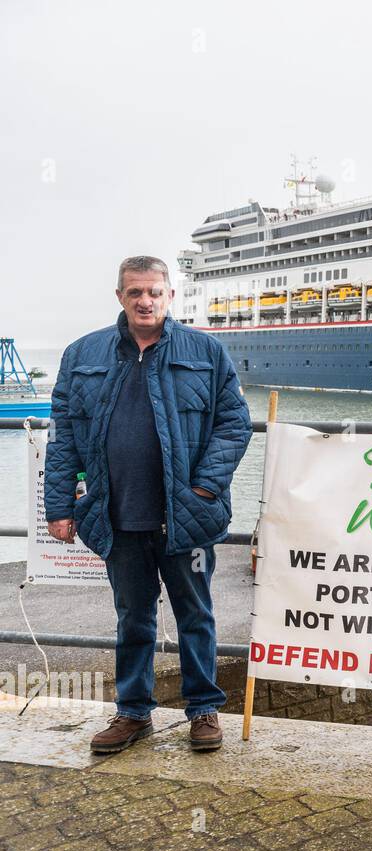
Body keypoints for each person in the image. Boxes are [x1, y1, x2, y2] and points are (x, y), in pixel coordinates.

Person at [46, 256, 252, 754]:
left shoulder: (205, 351)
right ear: (120, 296)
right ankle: (132, 713)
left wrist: (203, 487)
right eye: (136, 292)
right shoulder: (83, 353)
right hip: (117, 512)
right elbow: (64, 436)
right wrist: (59, 505)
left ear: (170, 296)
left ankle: (203, 710)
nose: (146, 301)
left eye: (155, 292)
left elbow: (234, 422)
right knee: (131, 616)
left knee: (195, 614)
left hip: (185, 514)